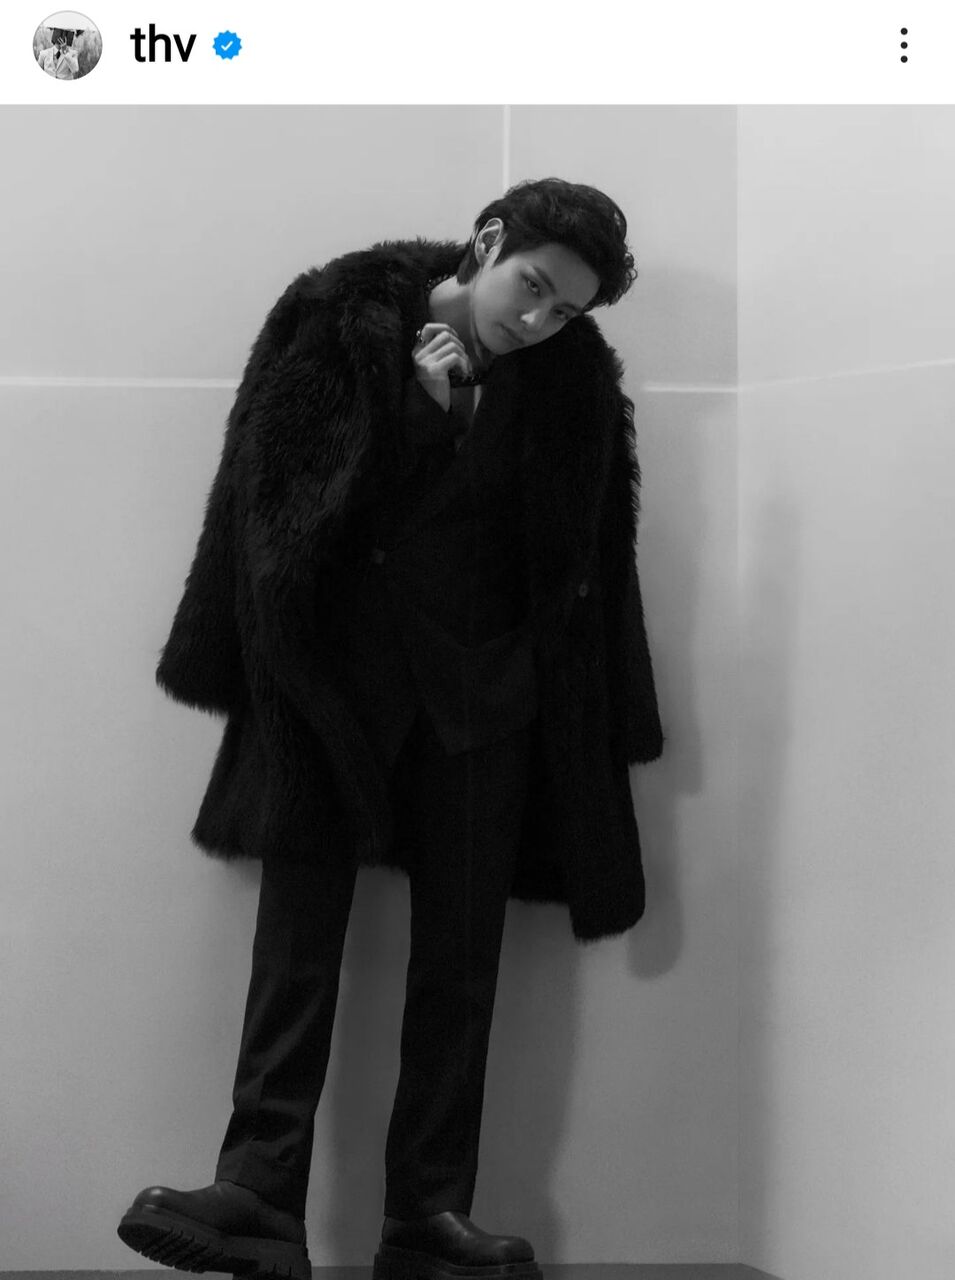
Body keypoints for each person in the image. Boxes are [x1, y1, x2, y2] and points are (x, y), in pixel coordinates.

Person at [117, 177, 664, 1280]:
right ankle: (255, 1193)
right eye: (533, 287)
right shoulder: (338, 323)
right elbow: (272, 502)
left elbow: (589, 559)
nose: (539, 319)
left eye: (565, 309)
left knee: (461, 968)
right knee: (295, 948)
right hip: (335, 692)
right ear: (488, 241)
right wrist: (417, 411)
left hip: (484, 702)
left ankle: (428, 1214)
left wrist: (604, 710)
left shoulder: (570, 382)